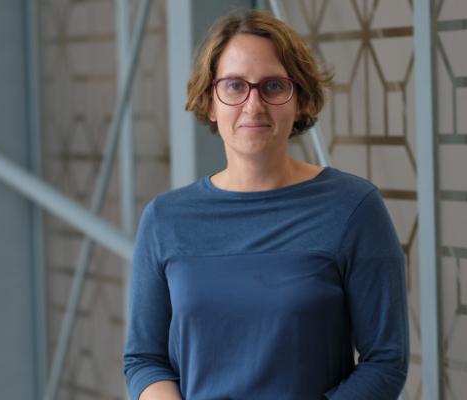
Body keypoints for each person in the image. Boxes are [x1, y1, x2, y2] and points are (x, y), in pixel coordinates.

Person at [123, 8, 408, 400]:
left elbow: (386, 360)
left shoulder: (353, 208)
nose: (253, 106)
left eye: (273, 86)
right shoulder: (164, 219)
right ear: (210, 101)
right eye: (234, 86)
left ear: (301, 100)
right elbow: (144, 359)